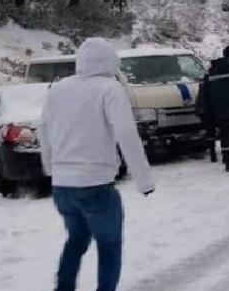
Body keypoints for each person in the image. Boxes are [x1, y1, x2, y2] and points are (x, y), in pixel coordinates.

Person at [39, 37, 155, 291]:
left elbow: (43, 129)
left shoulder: (58, 88)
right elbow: (126, 133)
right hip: (96, 185)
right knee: (109, 245)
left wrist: (51, 168)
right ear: (111, 61)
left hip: (62, 187)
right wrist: (144, 180)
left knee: (77, 239)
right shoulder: (110, 88)